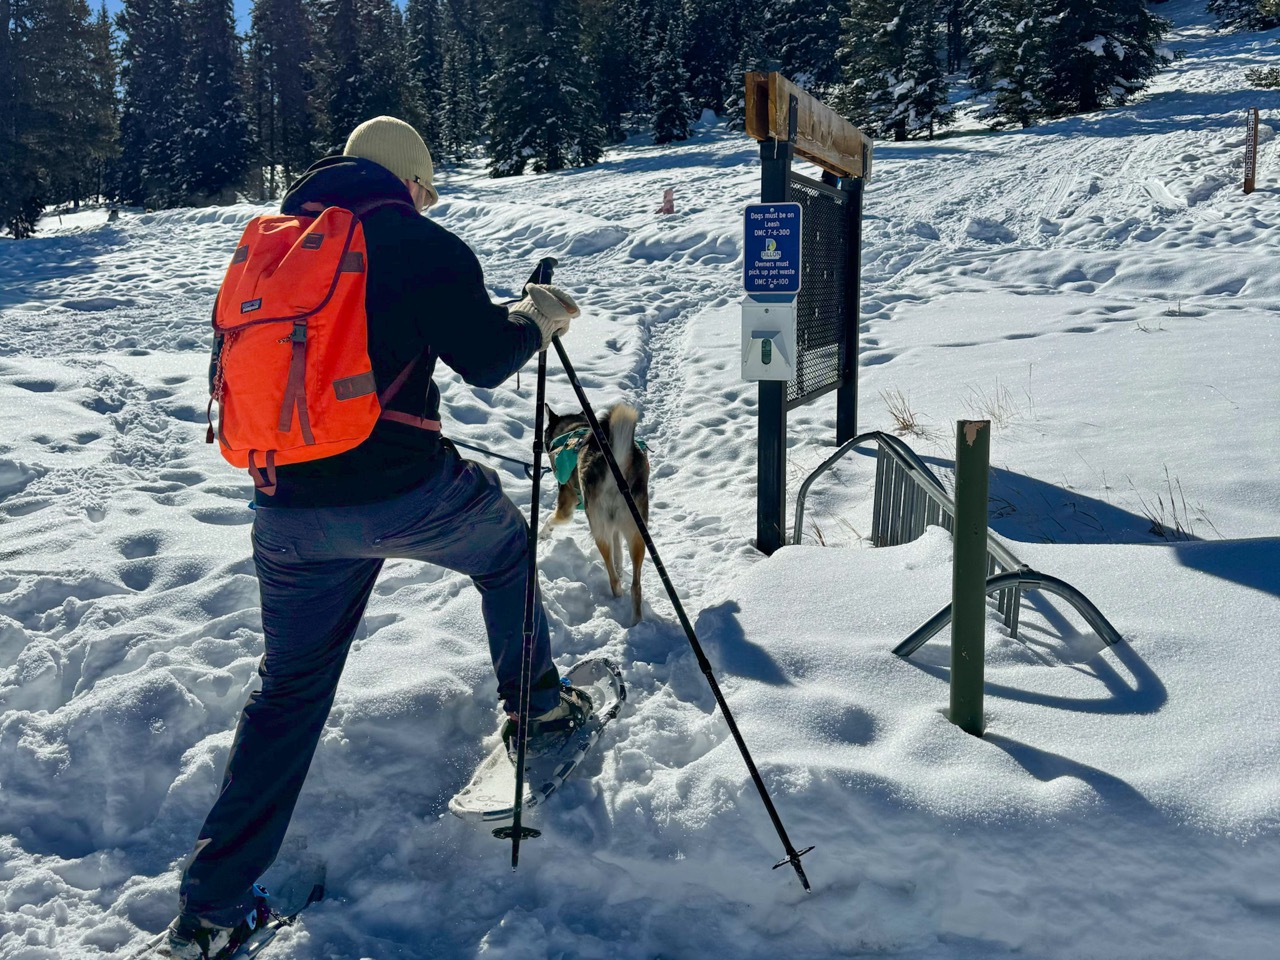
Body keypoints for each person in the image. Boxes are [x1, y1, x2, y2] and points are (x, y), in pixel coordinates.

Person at [164, 116, 591, 959]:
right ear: (407, 182)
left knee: (286, 693)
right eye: (425, 190)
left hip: (285, 510)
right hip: (404, 492)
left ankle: (209, 909)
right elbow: (483, 358)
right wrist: (536, 320)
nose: (426, 202)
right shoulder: (419, 239)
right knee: (505, 549)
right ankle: (538, 709)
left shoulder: (275, 249)